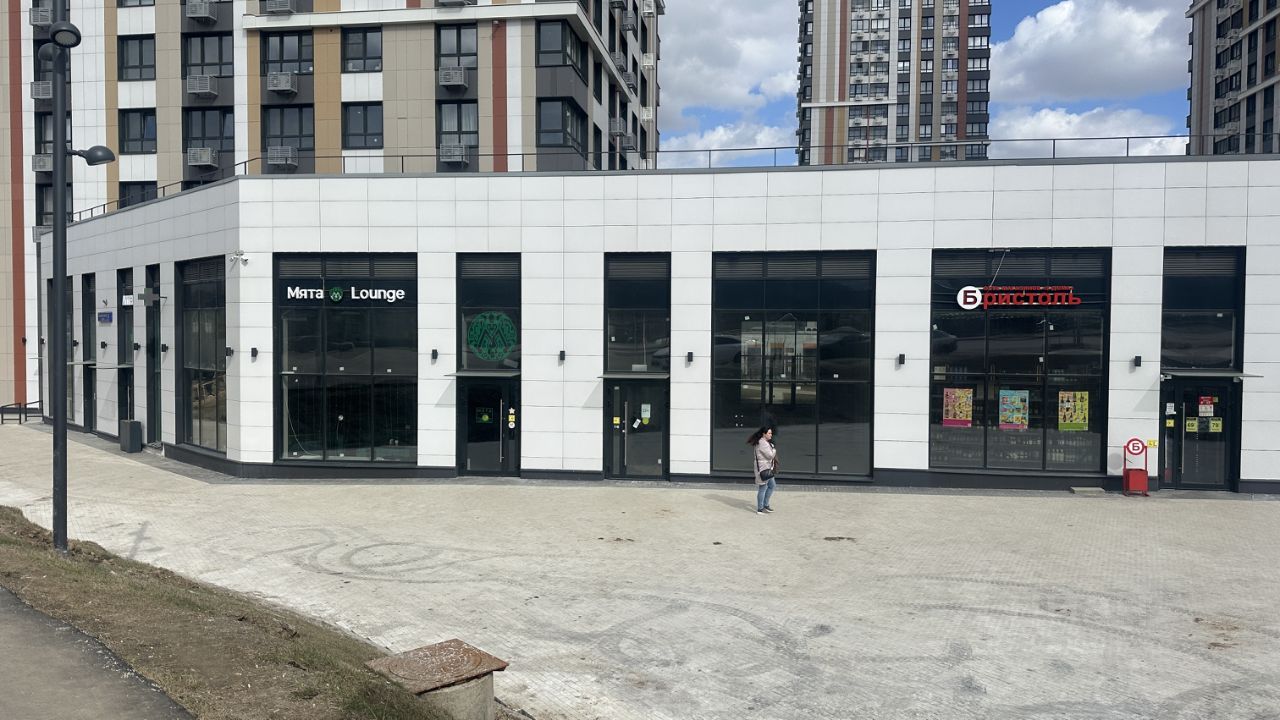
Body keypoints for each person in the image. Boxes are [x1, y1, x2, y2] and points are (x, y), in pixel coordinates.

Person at [746, 427, 777, 515]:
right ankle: (760, 509)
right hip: (763, 469)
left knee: (772, 485)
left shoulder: (764, 442)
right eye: (769, 433)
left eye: (771, 433)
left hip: (767, 468)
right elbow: (770, 456)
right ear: (764, 434)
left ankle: (765, 505)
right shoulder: (762, 443)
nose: (771, 435)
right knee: (763, 488)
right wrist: (774, 449)